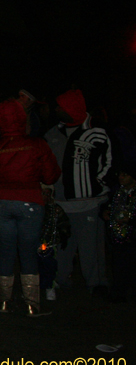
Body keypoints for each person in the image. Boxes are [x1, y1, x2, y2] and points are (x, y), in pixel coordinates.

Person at [0, 100, 61, 316]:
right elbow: (52, 175)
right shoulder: (37, 145)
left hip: (0, 204)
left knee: (6, 252)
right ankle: (32, 304)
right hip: (30, 203)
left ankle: (3, 301)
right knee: (28, 253)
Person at [44, 89, 113, 297]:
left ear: (71, 109)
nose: (56, 110)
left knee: (90, 248)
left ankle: (96, 284)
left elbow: (109, 163)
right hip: (62, 202)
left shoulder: (97, 132)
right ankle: (61, 280)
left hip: (88, 203)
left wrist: (94, 186)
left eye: (61, 106)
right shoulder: (52, 134)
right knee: (63, 246)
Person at [101, 162, 136, 302]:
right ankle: (119, 292)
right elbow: (108, 206)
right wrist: (105, 212)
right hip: (118, 236)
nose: (121, 177)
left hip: (133, 235)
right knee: (119, 264)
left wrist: (131, 220)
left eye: (125, 175)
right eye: (120, 175)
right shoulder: (118, 192)